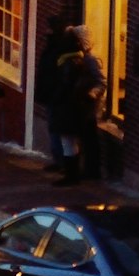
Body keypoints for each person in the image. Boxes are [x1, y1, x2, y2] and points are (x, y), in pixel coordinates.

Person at [51, 30, 104, 185]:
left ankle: (73, 174)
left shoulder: (73, 63)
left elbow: (67, 86)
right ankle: (77, 172)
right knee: (74, 141)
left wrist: (92, 94)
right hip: (77, 107)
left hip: (72, 108)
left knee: (71, 141)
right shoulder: (77, 61)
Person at [33, 17, 73, 170]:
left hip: (56, 95)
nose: (46, 30)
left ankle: (62, 161)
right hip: (53, 94)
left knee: (57, 128)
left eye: (49, 27)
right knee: (55, 127)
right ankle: (60, 160)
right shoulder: (55, 46)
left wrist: (53, 92)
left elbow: (53, 73)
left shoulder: (56, 48)